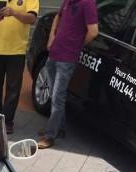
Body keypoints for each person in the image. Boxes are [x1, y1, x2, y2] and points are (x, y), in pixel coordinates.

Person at [37, 0, 98, 148]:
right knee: (54, 94)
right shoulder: (68, 1)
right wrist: (52, 37)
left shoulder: (88, 3)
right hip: (54, 53)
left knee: (57, 96)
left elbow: (93, 31)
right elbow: (58, 17)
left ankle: (50, 136)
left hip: (67, 58)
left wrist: (77, 45)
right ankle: (59, 128)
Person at [0, 0, 39, 135]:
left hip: (17, 51)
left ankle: (7, 122)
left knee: (13, 89)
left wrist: (13, 13)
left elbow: (32, 19)